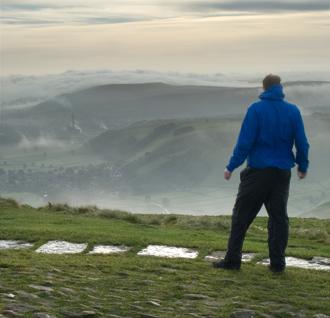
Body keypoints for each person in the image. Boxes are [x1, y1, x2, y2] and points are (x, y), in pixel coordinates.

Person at [213, 74, 310, 273]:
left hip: (257, 173)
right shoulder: (293, 111)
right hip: (282, 173)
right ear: (280, 88)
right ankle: (277, 265)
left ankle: (232, 261)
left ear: (264, 88)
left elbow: (245, 142)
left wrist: (231, 166)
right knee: (278, 219)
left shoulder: (256, 109)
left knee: (241, 217)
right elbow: (302, 142)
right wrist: (302, 165)